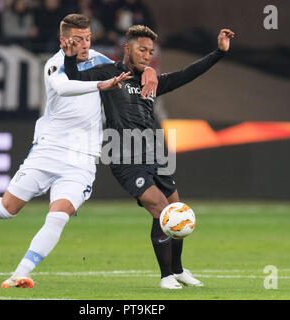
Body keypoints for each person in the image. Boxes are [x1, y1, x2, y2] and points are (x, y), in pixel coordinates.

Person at [0, 14, 158, 289]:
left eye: (88, 38)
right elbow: (64, 88)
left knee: (58, 215)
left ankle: (19, 274)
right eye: (78, 40)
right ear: (64, 41)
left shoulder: (102, 63)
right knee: (9, 208)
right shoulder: (54, 65)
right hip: (48, 150)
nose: (85, 44)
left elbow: (132, 71)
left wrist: (149, 71)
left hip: (82, 158)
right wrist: (100, 85)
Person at [63, 25, 234, 289]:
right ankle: (165, 276)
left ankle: (177, 270)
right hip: (125, 158)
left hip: (154, 156)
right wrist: (70, 57)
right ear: (127, 48)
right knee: (161, 210)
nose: (146, 55)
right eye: (142, 49)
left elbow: (188, 74)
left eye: (150, 51)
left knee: (178, 211)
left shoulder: (151, 81)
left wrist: (219, 53)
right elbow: (73, 79)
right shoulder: (108, 73)